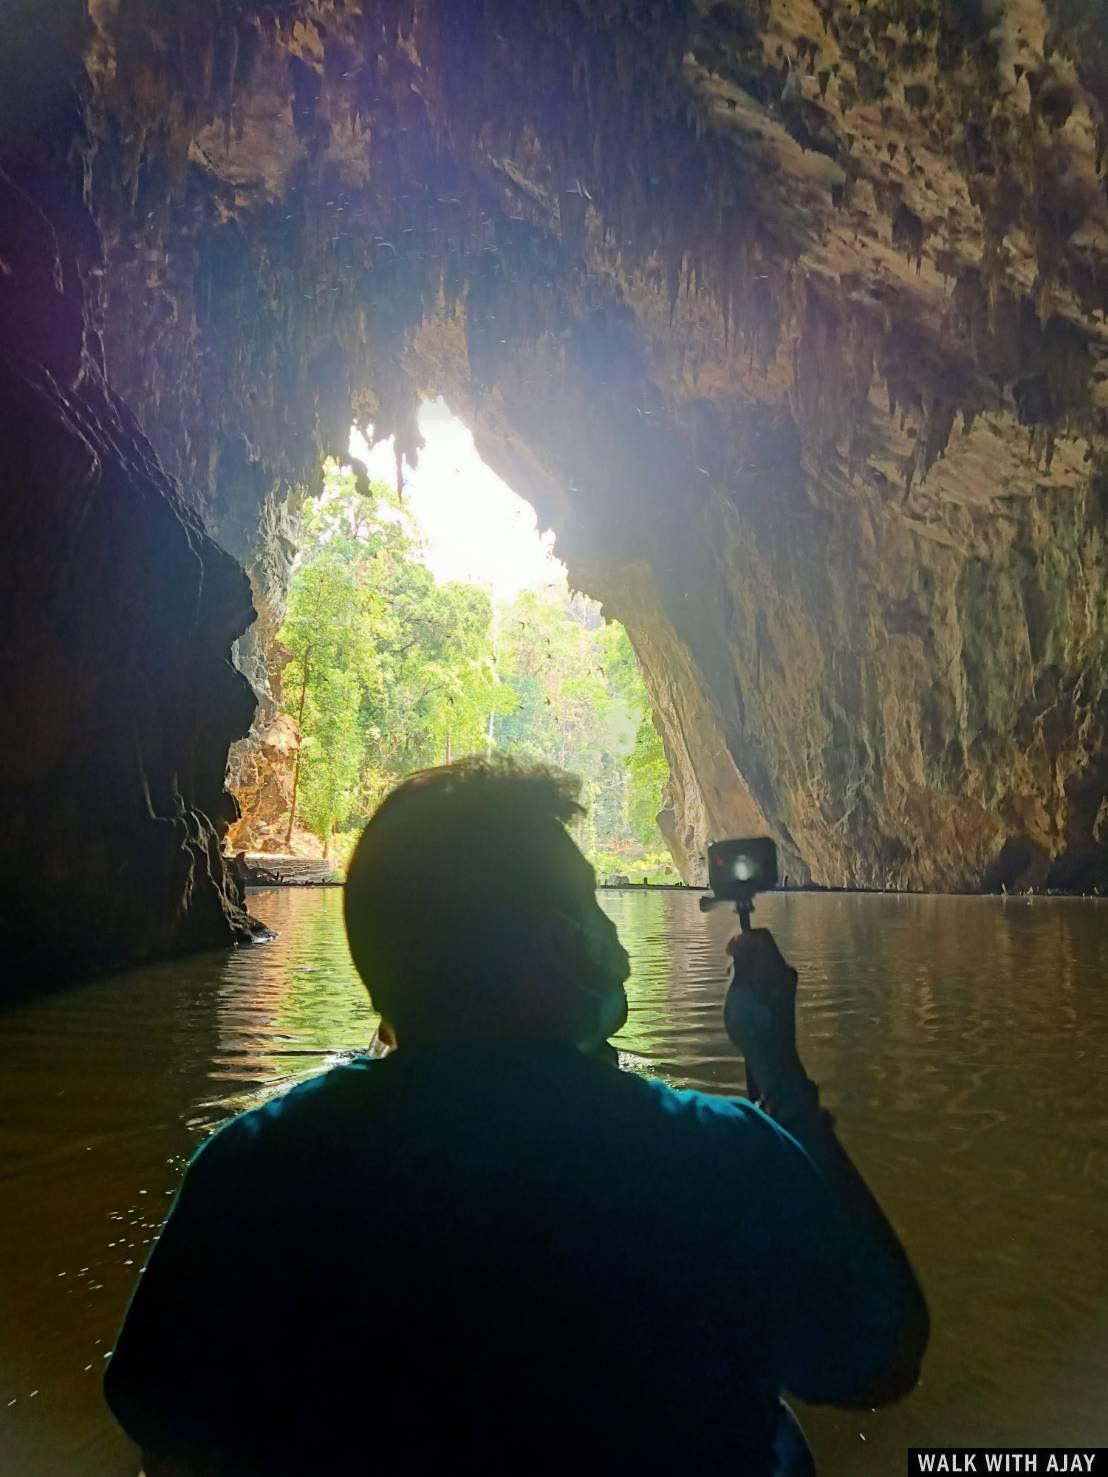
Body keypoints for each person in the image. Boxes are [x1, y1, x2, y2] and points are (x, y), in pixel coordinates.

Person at [105, 760, 928, 1477]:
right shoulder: (719, 1158)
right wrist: (779, 1075)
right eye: (586, 903)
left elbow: (161, 1424)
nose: (606, 928)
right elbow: (877, 1361)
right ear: (548, 945)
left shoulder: (247, 1170)